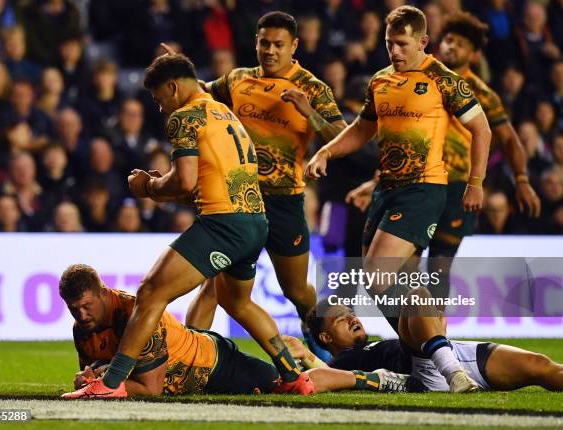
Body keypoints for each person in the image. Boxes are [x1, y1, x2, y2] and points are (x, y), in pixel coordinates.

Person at [61, 53, 313, 399]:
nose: (161, 108)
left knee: (150, 292)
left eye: (158, 98)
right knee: (236, 301)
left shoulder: (184, 118)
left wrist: (147, 188)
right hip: (256, 221)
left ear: (173, 87)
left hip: (223, 224)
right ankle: (294, 376)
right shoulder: (225, 113)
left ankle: (110, 383)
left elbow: (183, 181)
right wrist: (160, 189)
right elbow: (201, 184)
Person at [305, 6, 491, 391]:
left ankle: (443, 361)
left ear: (423, 41)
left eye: (402, 43)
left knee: (375, 276)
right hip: (385, 192)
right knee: (399, 284)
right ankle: (430, 359)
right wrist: (326, 152)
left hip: (423, 190)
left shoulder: (444, 79)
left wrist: (475, 182)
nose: (394, 50)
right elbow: (362, 129)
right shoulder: (380, 81)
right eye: (389, 43)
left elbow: (481, 128)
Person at [182, 12, 347, 359]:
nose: (270, 50)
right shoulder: (238, 80)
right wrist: (178, 73)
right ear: (256, 42)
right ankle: (187, 354)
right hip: (239, 199)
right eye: (264, 43)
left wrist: (309, 113)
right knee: (215, 282)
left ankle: (331, 354)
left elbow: (344, 137)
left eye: (278, 45)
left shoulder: (312, 88)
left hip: (284, 201)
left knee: (297, 290)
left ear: (294, 46)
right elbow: (200, 93)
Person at [345, 12, 541, 304]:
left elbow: (508, 139)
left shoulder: (481, 94)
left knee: (440, 265)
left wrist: (521, 180)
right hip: (415, 184)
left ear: (473, 54)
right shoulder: (413, 81)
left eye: (460, 44)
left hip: (457, 188)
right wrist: (374, 183)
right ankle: (417, 338)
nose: (451, 47)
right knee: (404, 270)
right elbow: (401, 143)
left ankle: (436, 334)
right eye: (448, 40)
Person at [59, 264, 412, 397]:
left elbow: (148, 389)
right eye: (74, 309)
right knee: (190, 335)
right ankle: (219, 276)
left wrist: (100, 386)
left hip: (217, 365)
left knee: (292, 386)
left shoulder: (139, 316)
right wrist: (90, 377)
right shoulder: (82, 328)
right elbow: (102, 372)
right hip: (188, 354)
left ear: (104, 293)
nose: (82, 314)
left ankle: (376, 379)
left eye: (87, 305)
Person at [286, 297, 563, 392]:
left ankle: (452, 367)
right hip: (425, 370)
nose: (351, 318)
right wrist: (307, 356)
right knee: (417, 296)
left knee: (539, 366)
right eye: (340, 319)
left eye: (351, 312)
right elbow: (320, 378)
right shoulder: (343, 361)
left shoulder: (372, 346)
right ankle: (453, 373)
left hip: (450, 351)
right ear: (325, 338)